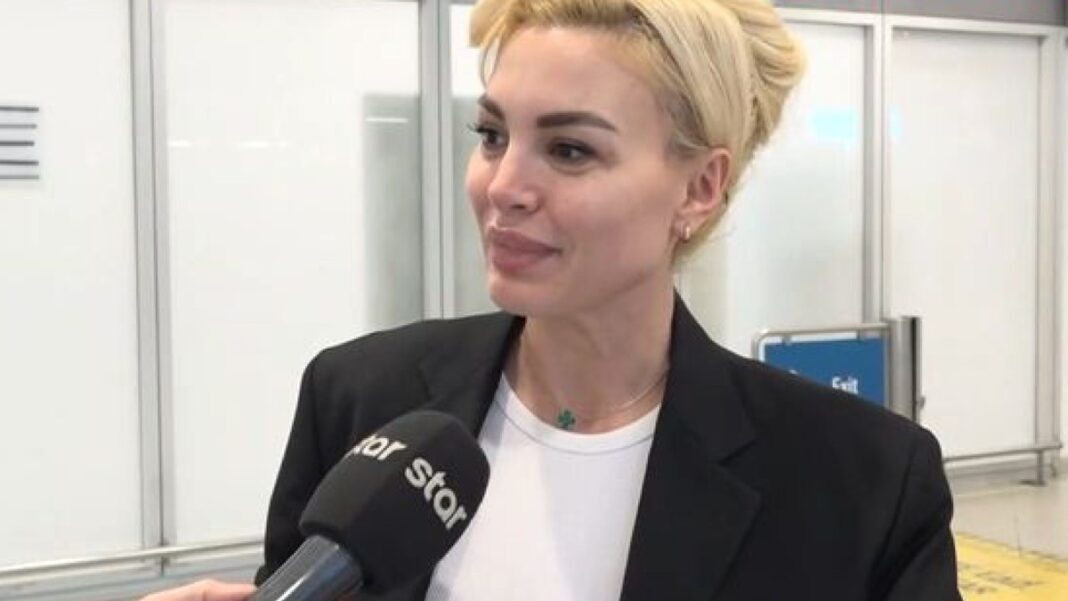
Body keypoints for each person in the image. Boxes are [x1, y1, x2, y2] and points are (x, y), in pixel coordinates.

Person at [145, 0, 961, 599]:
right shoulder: (358, 396)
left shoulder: (862, 483)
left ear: (699, 187)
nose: (503, 186)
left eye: (569, 150)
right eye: (492, 135)